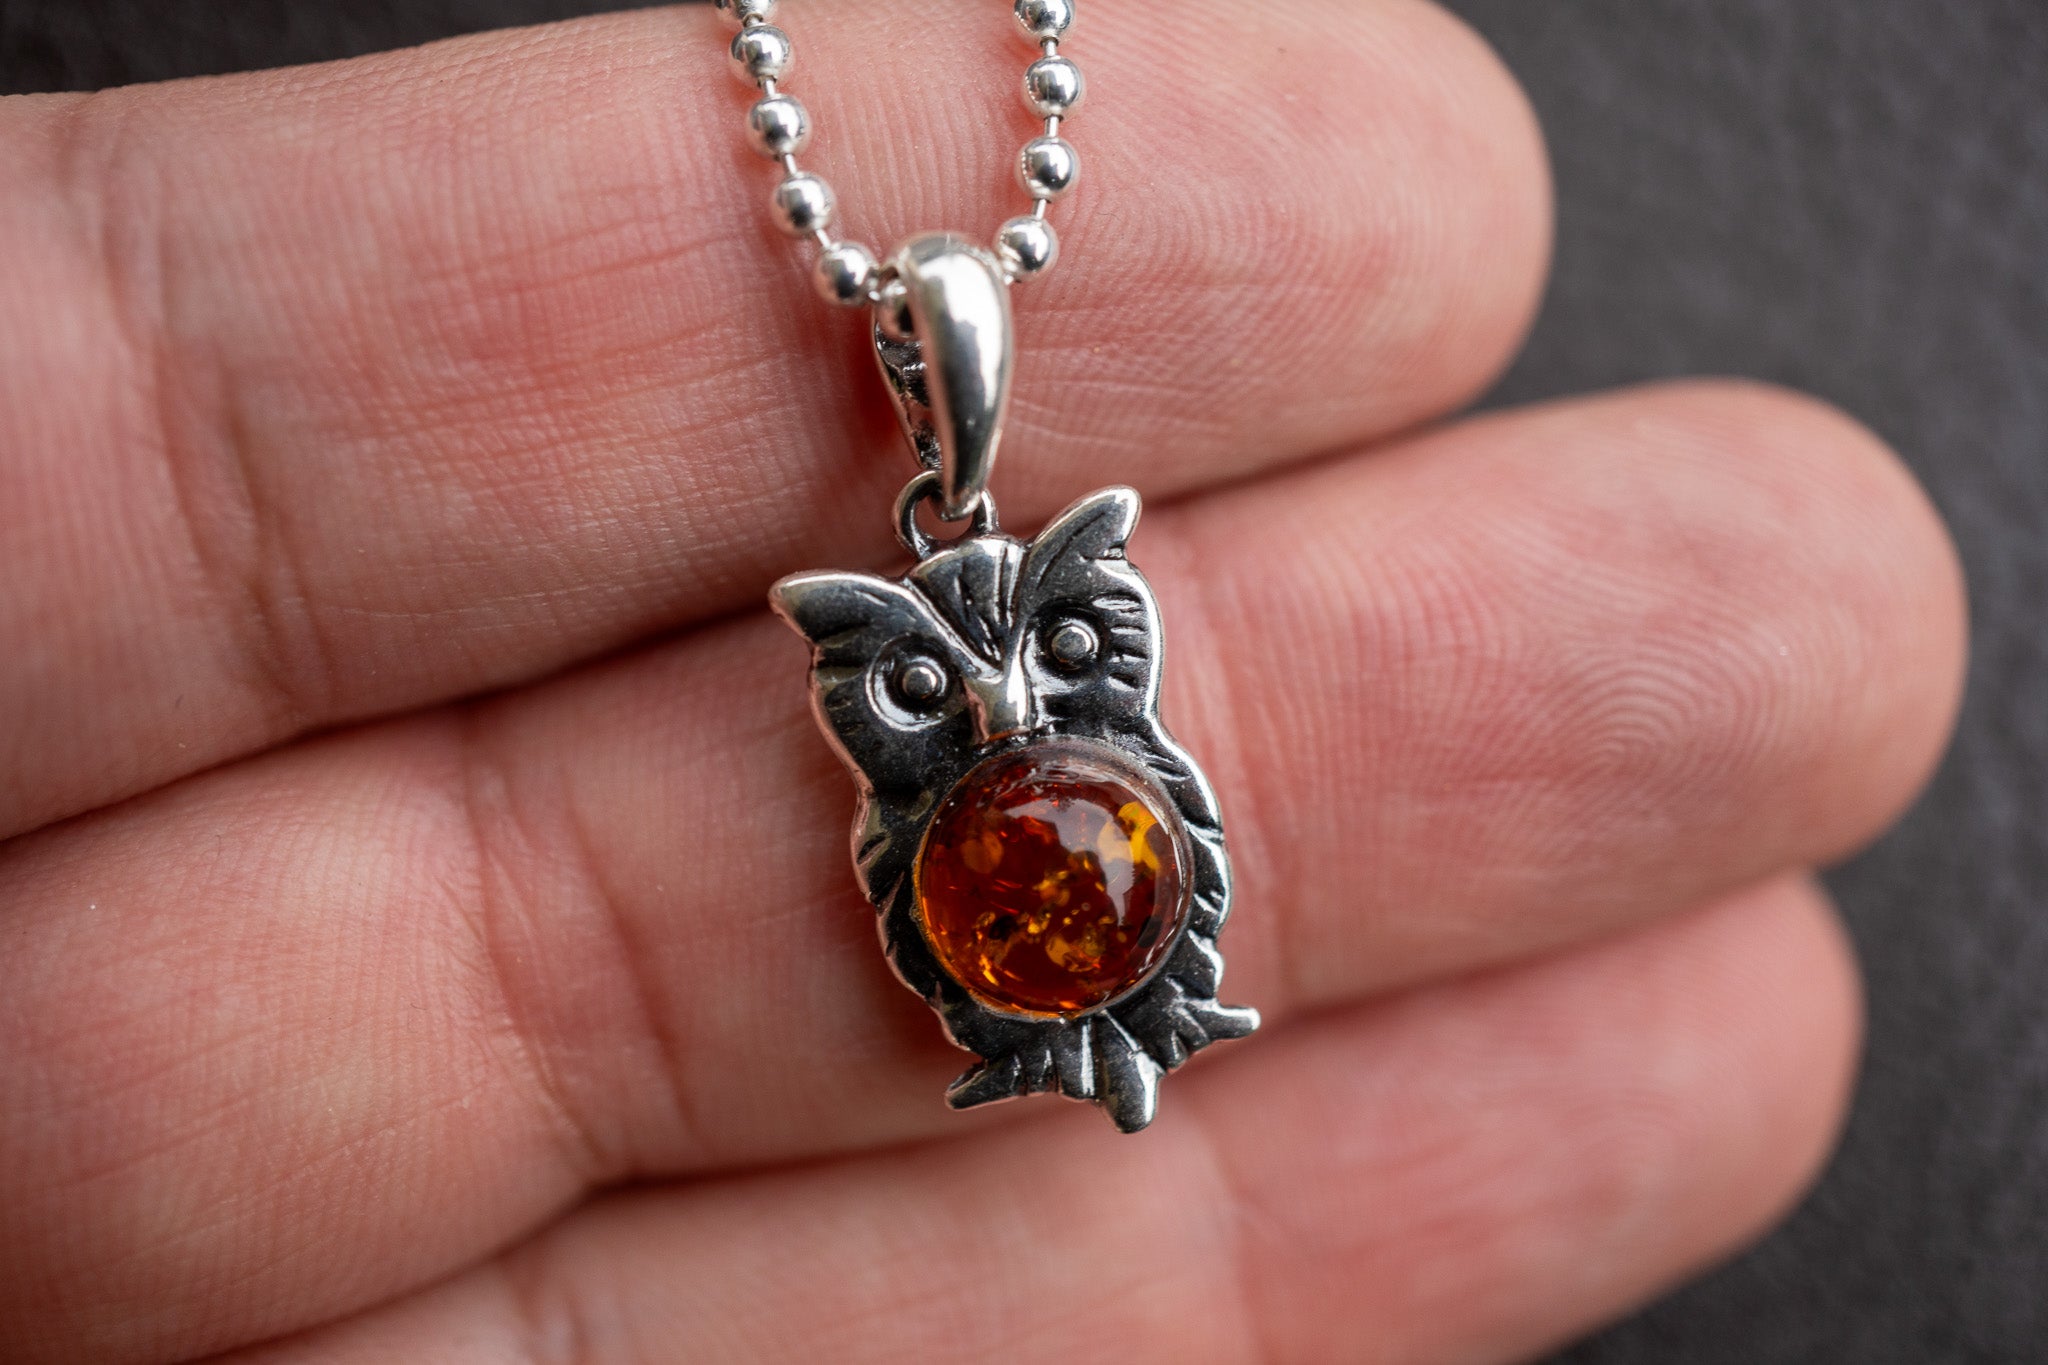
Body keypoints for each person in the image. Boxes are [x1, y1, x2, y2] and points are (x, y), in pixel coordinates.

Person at [0, 3, 1966, 1362]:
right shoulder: (937, 832)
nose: (1015, 720)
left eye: (1061, 652)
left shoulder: (1103, 787)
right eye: (939, 695)